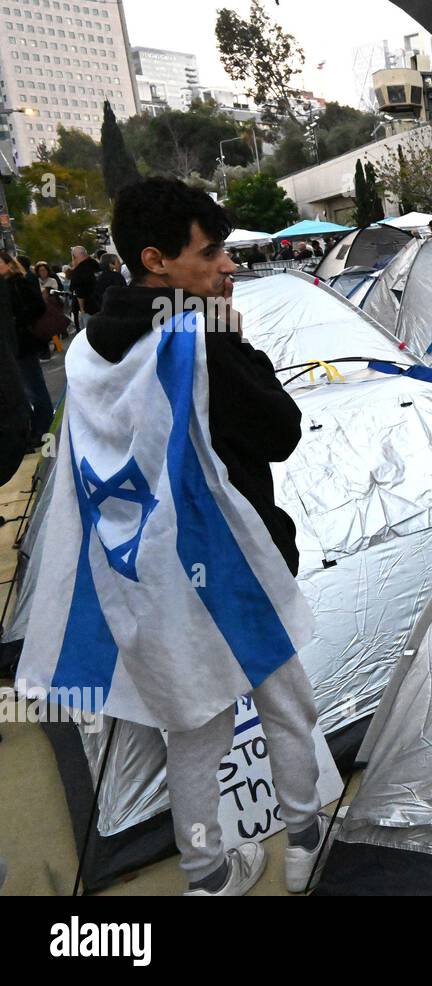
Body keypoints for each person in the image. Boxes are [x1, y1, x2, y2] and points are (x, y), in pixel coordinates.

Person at [83, 177, 331, 895]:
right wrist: (240, 348)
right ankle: (305, 838)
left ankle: (209, 873)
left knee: (194, 733)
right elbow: (279, 432)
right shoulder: (199, 338)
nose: (228, 265)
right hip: (233, 564)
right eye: (213, 251)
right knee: (286, 706)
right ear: (157, 259)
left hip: (149, 576)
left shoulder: (99, 340)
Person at [1, 251, 54, 447]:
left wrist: (17, 320)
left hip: (22, 343)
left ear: (8, 264)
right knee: (25, 387)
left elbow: (37, 307)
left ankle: (44, 427)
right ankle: (36, 427)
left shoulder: (18, 282)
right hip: (14, 344)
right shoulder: (9, 284)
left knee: (33, 386)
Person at [68, 245, 101, 318]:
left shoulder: (78, 271)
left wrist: (82, 310)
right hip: (103, 304)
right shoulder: (96, 264)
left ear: (74, 256)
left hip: (90, 309)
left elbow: (79, 292)